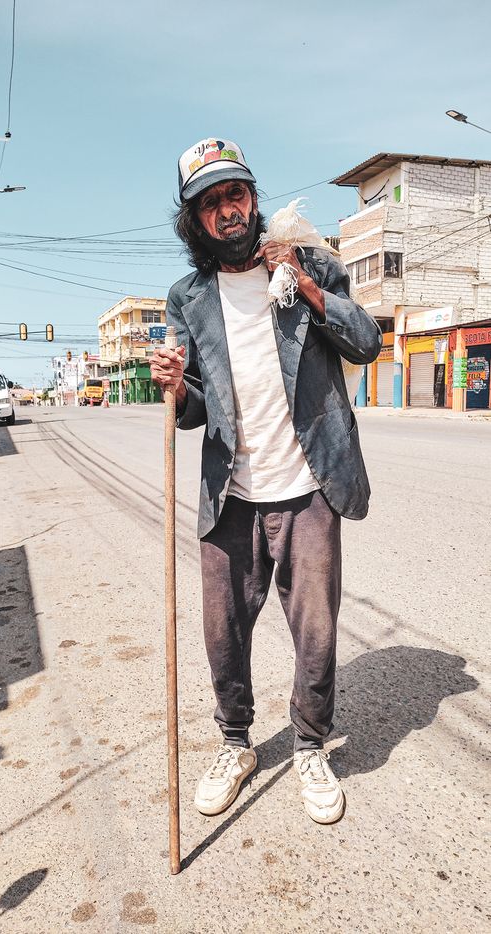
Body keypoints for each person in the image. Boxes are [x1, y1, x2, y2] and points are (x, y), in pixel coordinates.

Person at [150, 137, 382, 825]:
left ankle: (310, 745)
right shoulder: (186, 298)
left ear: (253, 199)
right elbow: (191, 409)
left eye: (236, 195)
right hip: (232, 493)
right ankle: (236, 741)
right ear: (194, 221)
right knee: (223, 630)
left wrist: (309, 288)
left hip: (309, 486)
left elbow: (366, 342)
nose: (227, 212)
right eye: (210, 203)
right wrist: (174, 388)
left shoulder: (310, 265)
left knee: (314, 629)